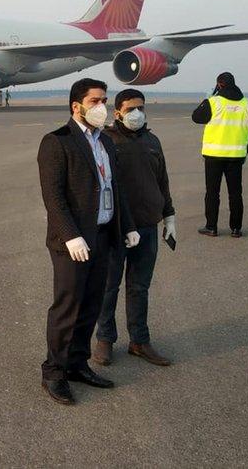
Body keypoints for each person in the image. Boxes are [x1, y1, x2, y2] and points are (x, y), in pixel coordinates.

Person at [37, 78, 139, 405]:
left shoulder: (106, 142)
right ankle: (54, 372)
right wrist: (71, 235)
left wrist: (128, 225)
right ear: (76, 106)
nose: (101, 107)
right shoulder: (57, 142)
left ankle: (77, 364)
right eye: (95, 101)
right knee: (67, 307)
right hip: (73, 242)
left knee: (92, 304)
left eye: (104, 100)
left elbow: (115, 188)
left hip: (103, 235)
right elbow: (53, 197)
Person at [94, 89, 174, 367]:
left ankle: (139, 341)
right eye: (130, 109)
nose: (136, 113)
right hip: (115, 229)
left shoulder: (153, 141)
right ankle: (105, 339)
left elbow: (162, 181)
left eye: (141, 107)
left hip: (148, 226)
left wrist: (169, 216)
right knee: (109, 286)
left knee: (139, 287)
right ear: (117, 113)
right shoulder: (106, 141)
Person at [192, 72, 248, 238]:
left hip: (214, 155)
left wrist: (208, 99)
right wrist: (244, 151)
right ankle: (236, 228)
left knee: (212, 192)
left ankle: (211, 227)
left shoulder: (214, 102)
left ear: (219, 85)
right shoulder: (247, 104)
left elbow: (196, 117)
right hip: (236, 156)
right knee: (235, 193)